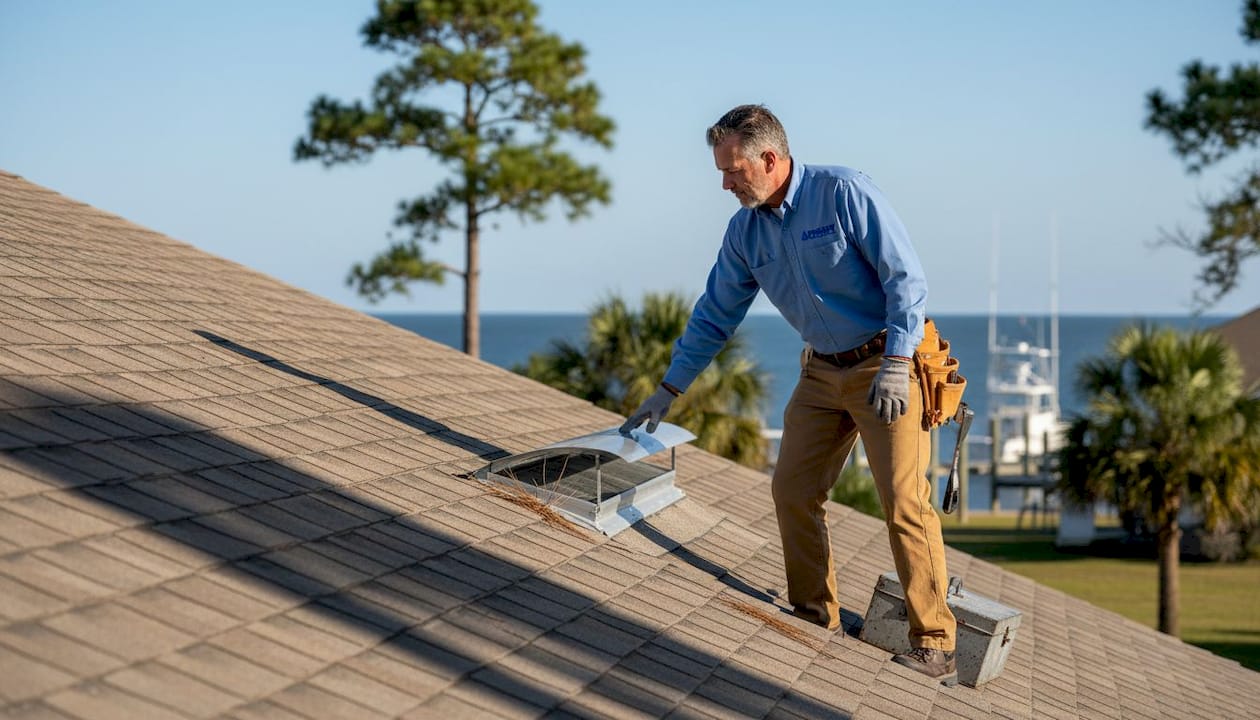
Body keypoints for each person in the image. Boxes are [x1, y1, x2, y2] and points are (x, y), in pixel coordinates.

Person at [619, 104, 958, 685]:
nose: (725, 184)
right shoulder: (744, 231)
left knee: (905, 502)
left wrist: (899, 363)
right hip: (821, 375)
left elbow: (907, 280)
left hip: (889, 365)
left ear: (769, 159)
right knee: (792, 491)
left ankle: (935, 642)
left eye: (733, 171)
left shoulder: (844, 193)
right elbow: (714, 315)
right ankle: (813, 614)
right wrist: (668, 389)